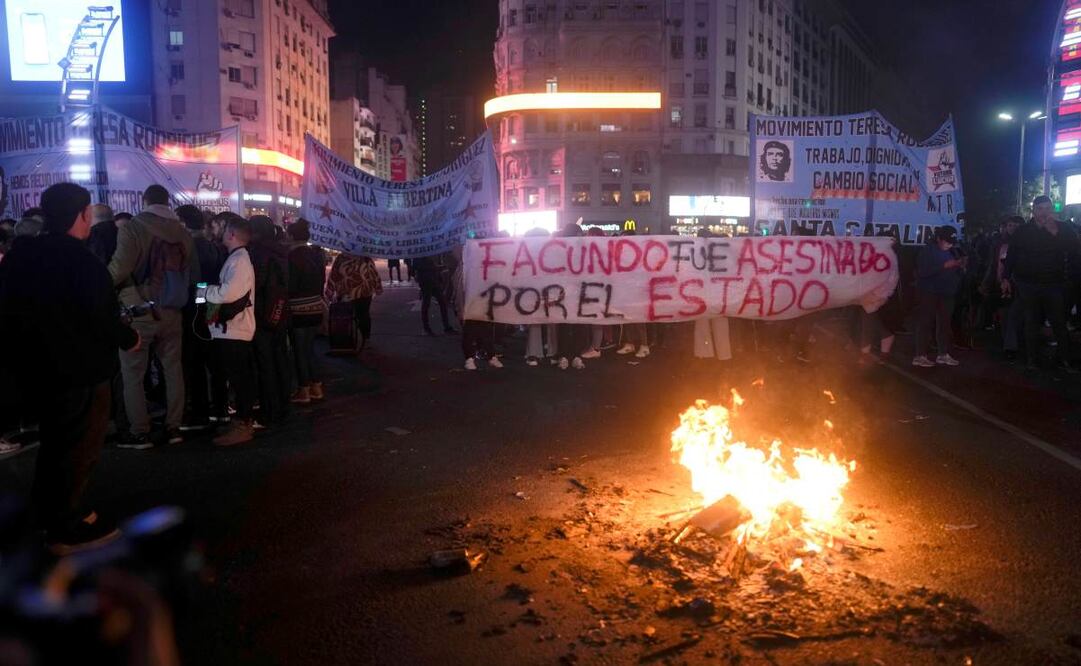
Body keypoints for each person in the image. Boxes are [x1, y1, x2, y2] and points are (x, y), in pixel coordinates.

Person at [0, 182, 139, 553]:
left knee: (54, 443)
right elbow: (101, 315)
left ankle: (50, 513)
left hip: (37, 368)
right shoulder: (81, 261)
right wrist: (128, 338)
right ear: (81, 215)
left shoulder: (20, 256)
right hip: (80, 369)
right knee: (78, 447)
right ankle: (64, 525)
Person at [108, 185, 199, 448]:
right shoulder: (182, 233)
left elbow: (120, 267)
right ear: (166, 202)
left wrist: (98, 285)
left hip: (138, 311)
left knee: (133, 374)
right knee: (173, 370)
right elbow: (193, 276)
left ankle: (140, 431)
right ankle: (174, 427)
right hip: (172, 310)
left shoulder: (133, 227)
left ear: (144, 201)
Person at [1003, 195, 1079, 372]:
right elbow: (1012, 255)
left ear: (1052, 209)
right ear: (1034, 211)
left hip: (1054, 283)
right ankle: (1032, 359)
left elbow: (1074, 249)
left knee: (1059, 322)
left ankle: (1064, 359)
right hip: (1028, 284)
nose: (1044, 213)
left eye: (1047, 208)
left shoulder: (1063, 228)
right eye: (1040, 209)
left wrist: (1055, 233)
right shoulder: (1023, 231)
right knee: (1031, 321)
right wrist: (1006, 277)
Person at [201, 217, 257, 446]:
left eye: (223, 229)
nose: (220, 233)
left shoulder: (240, 260)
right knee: (236, 377)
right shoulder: (235, 258)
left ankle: (243, 424)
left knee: (239, 378)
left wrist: (203, 291)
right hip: (228, 329)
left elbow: (228, 294)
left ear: (232, 234)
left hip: (235, 329)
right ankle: (240, 422)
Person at [176, 205, 228, 430]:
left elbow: (198, 282)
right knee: (214, 360)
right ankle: (220, 408)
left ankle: (199, 412)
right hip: (211, 307)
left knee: (194, 360)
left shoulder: (190, 247)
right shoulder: (212, 246)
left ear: (183, 222)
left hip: (195, 308)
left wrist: (196, 301)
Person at [248, 216, 293, 426]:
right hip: (279, 312)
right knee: (280, 359)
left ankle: (270, 410)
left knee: (265, 364)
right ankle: (283, 405)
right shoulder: (281, 251)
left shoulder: (258, 253)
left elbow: (256, 285)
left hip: (261, 314)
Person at [286, 220, 327, 403]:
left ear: (292, 236)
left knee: (300, 351)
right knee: (309, 349)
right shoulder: (316, 255)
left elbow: (291, 285)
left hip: (299, 309)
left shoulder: (292, 257)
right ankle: (316, 387)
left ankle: (304, 390)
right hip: (316, 307)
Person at [912, 226, 965, 368]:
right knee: (925, 322)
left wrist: (959, 267)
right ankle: (920, 355)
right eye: (947, 241)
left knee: (945, 324)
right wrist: (944, 266)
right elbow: (922, 272)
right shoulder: (927, 251)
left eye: (952, 241)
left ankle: (943, 353)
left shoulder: (953, 250)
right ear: (938, 239)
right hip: (929, 292)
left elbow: (956, 270)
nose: (949, 244)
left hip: (947, 292)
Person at [981, 216, 1023, 361]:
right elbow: (993, 265)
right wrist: (986, 282)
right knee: (1005, 314)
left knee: (1015, 314)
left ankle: (1012, 344)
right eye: (1010, 225)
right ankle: (1009, 344)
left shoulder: (1025, 244)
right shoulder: (998, 244)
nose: (1012, 228)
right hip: (1000, 284)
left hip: (1020, 285)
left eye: (1015, 226)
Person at [325, 252, 383, 351]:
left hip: (347, 292)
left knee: (349, 316)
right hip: (363, 292)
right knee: (363, 315)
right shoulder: (365, 257)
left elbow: (334, 274)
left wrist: (329, 291)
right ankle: (364, 339)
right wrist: (378, 288)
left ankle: (353, 338)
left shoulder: (342, 258)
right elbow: (374, 274)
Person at [414, 254, 456, 335]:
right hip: (426, 282)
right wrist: (437, 267)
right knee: (426, 304)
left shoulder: (432, 252)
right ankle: (427, 328)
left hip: (433, 281)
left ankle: (446, 327)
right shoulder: (419, 252)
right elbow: (416, 266)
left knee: (442, 302)